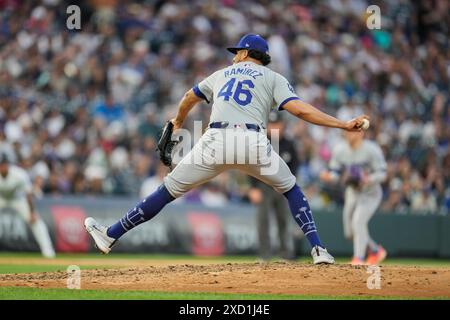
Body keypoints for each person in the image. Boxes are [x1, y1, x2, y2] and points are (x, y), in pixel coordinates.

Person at [85, 34, 369, 264]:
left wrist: (178, 121)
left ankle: (110, 235)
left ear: (246, 54)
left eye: (238, 51)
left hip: (215, 140)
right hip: (252, 142)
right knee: (291, 189)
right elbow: (300, 110)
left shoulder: (222, 73)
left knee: (167, 191)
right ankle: (318, 250)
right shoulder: (273, 78)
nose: (234, 55)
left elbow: (187, 97)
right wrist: (342, 124)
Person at [320, 129, 387, 265]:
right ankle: (375, 251)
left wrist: (370, 178)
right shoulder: (340, 149)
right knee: (349, 233)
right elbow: (336, 172)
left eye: (353, 131)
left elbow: (383, 173)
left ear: (361, 133)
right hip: (352, 192)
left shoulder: (371, 149)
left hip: (370, 193)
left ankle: (358, 258)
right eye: (347, 131)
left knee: (358, 222)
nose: (349, 134)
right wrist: (329, 177)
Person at [248, 112, 297, 261]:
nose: (275, 127)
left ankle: (285, 255)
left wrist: (288, 185)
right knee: (263, 221)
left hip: (281, 187)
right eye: (272, 124)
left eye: (278, 124)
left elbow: (295, 167)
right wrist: (253, 187)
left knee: (283, 220)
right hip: (263, 186)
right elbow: (249, 164)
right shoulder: (260, 142)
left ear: (283, 125)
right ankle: (264, 256)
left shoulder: (289, 144)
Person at [0, 153, 55, 258]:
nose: (3, 167)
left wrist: (32, 212)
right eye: (1, 164)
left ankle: (48, 251)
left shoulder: (19, 174)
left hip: (17, 199)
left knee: (36, 221)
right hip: (1, 198)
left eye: (4, 164)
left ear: (8, 165)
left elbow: (28, 194)